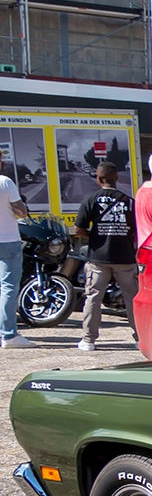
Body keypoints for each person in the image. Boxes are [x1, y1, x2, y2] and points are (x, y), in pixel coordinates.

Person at [73, 161, 139, 352]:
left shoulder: (91, 200)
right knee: (132, 298)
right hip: (125, 257)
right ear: (116, 178)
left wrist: (94, 236)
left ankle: (88, 340)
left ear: (98, 178)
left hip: (98, 258)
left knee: (93, 297)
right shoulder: (129, 201)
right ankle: (140, 338)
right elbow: (136, 231)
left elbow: (78, 229)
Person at [0, 145, 37, 349]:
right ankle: (8, 335)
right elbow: (21, 211)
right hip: (7, 240)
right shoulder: (5, 182)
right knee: (7, 287)